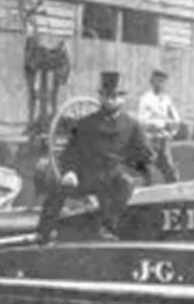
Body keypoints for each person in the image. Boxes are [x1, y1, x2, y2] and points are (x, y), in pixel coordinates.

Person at [37, 71, 153, 242]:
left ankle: (108, 228)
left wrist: (133, 169)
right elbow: (71, 152)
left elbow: (146, 155)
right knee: (59, 188)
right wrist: (70, 171)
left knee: (124, 183)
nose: (111, 99)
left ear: (123, 99)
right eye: (107, 95)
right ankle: (43, 231)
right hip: (88, 175)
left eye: (116, 96)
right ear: (100, 97)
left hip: (116, 177)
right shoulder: (85, 123)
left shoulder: (132, 125)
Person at [137, 68, 181, 184]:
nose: (160, 84)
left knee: (169, 167)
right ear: (151, 82)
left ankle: (176, 193)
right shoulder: (146, 99)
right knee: (149, 168)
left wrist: (172, 132)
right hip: (150, 139)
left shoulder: (166, 99)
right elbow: (142, 121)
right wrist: (160, 124)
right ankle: (148, 193)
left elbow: (176, 119)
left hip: (164, 139)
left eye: (163, 81)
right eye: (158, 81)